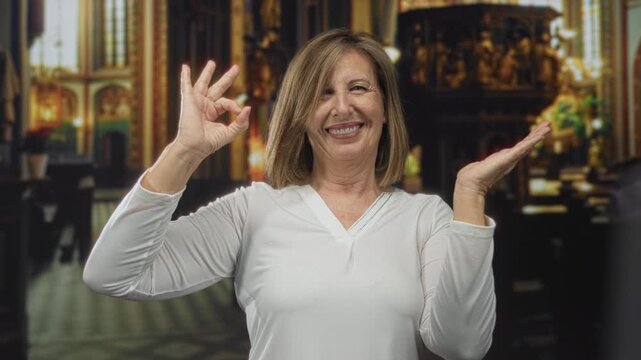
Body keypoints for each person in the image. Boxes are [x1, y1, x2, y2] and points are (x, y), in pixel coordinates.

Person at [83, 29, 551, 360]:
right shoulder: (252, 210)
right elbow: (112, 275)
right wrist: (184, 152)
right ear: (300, 115)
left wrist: (470, 196)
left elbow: (462, 345)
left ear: (385, 108)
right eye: (322, 93)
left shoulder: (425, 217)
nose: (342, 106)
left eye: (359, 88)